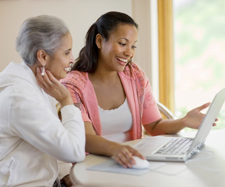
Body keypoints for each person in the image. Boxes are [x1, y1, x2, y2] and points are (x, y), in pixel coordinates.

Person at [60, 11, 214, 168]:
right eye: (122, 43)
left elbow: (154, 126)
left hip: (132, 164)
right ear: (99, 41)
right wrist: (118, 149)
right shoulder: (73, 85)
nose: (129, 52)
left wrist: (183, 121)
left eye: (133, 46)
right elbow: (84, 138)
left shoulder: (135, 75)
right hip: (91, 168)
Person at [0, 15, 85, 187]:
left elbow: (51, 138)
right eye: (67, 52)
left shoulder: (39, 83)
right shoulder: (19, 98)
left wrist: (65, 174)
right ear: (42, 56)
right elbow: (74, 152)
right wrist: (66, 101)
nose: (72, 59)